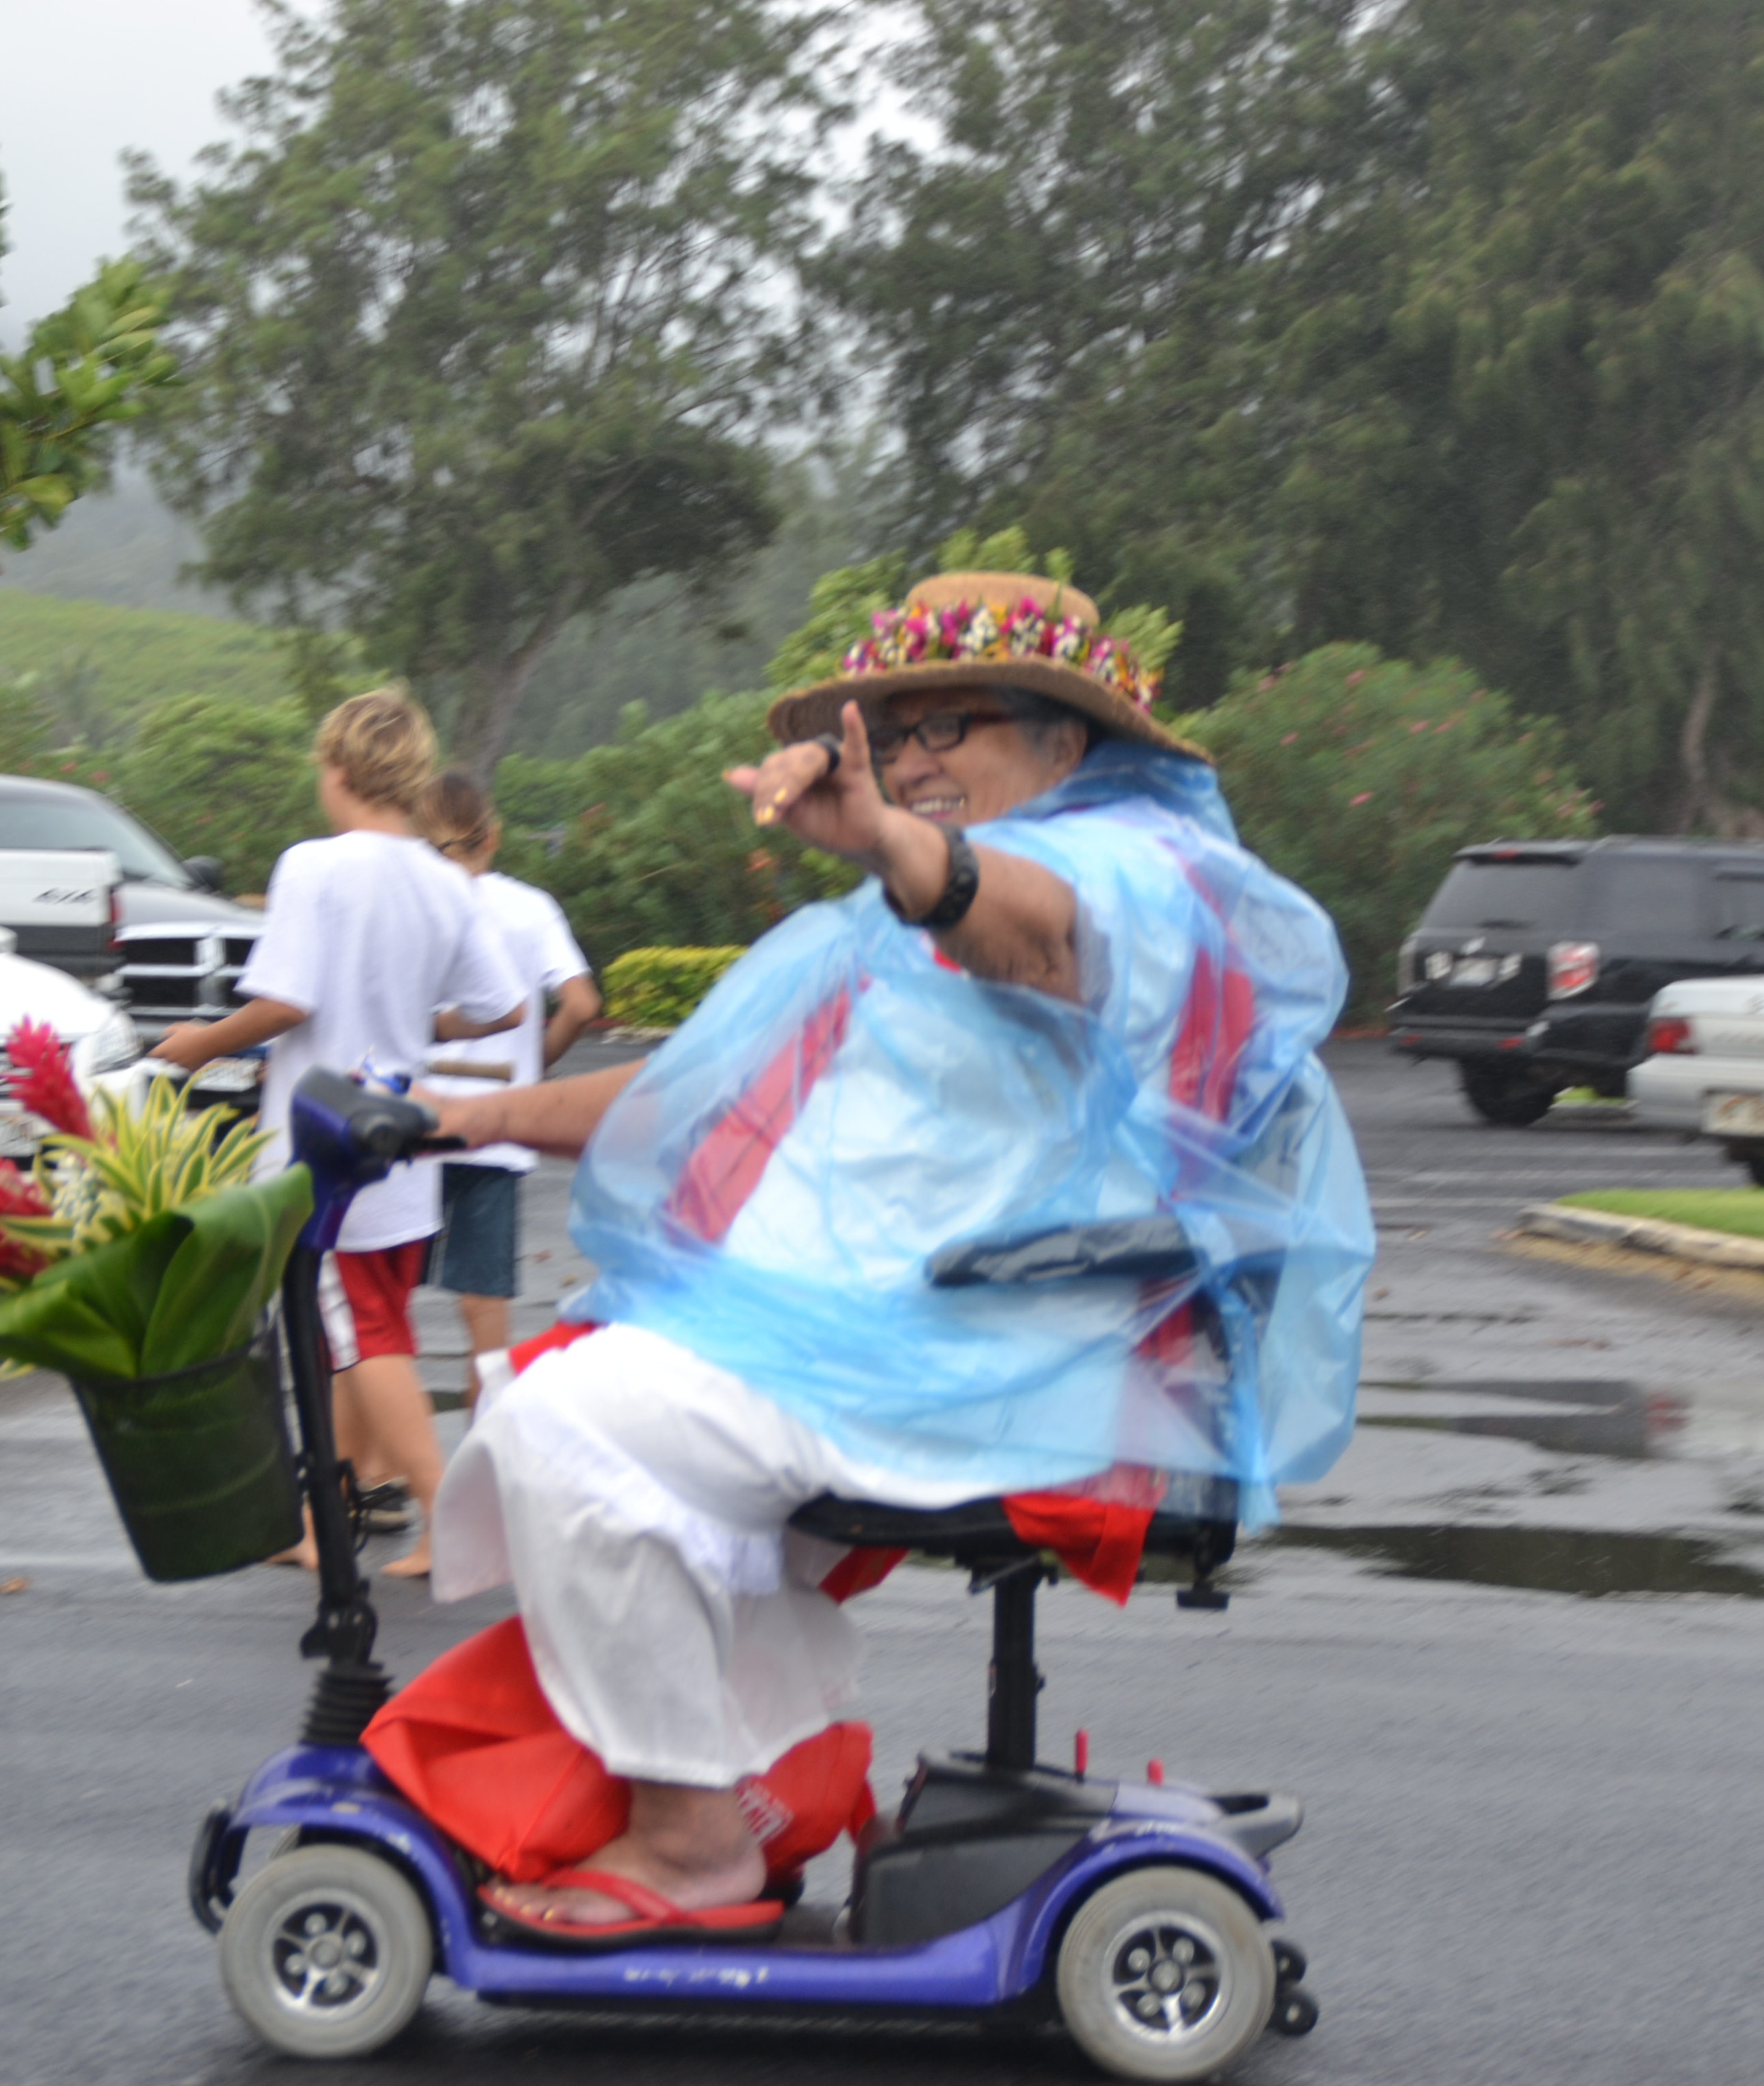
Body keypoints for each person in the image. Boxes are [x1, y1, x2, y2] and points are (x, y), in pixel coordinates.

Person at [420, 570, 1372, 1935]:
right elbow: (697, 1099)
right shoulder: (889, 926)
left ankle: (692, 1841)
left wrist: (892, 842)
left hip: (999, 1349)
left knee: (572, 1423)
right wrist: (463, 1117)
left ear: (1064, 741)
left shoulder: (1134, 876)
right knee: (582, 1407)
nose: (914, 757)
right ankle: (748, 1790)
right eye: (896, 731)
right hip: (877, 1333)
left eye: (950, 725)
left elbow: (1029, 931)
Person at [147, 689, 526, 1577]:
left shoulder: (312, 867)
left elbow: (285, 1002)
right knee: (360, 1332)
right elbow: (503, 1007)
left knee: (360, 1337)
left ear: (342, 768)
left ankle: (448, 1517)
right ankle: (322, 1516)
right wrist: (404, 1026)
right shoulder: (444, 879)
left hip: (322, 1153)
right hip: (403, 1146)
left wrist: (199, 1044)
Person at [416, 770, 603, 1401]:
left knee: (380, 1307)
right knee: (484, 1312)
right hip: (495, 1129)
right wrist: (534, 1068)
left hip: (412, 1122)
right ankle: (483, 1444)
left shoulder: (412, 907)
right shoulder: (530, 908)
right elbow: (581, 1004)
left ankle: (375, 1454)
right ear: (492, 835)